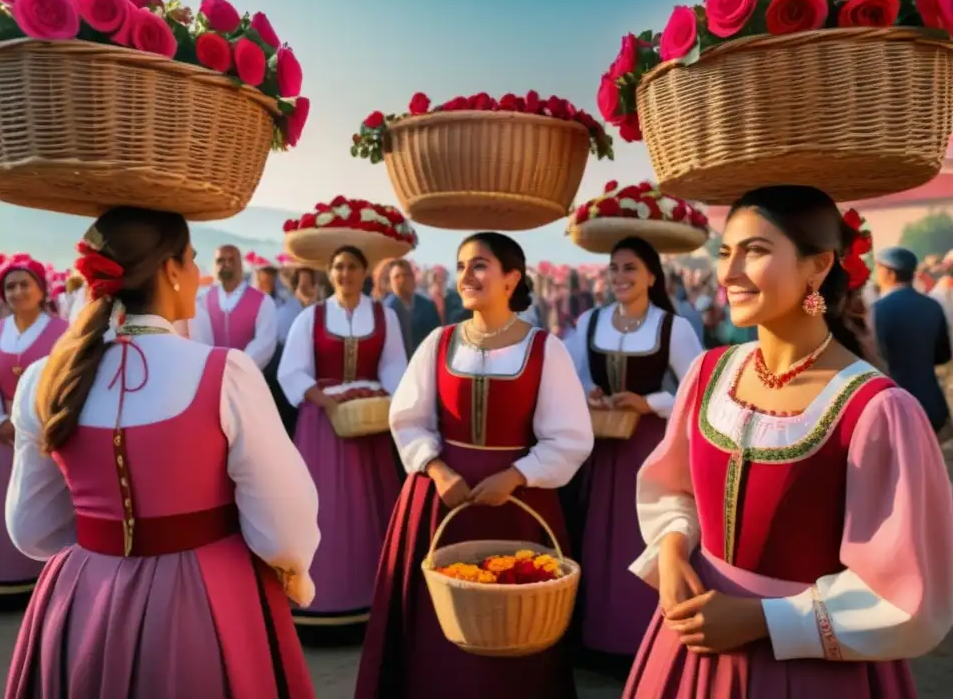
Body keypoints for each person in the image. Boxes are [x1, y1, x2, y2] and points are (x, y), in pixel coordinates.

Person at [624, 185, 953, 698]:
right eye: (725, 252)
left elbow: (907, 591)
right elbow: (675, 488)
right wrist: (670, 550)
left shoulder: (877, 410)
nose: (729, 273)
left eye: (754, 251)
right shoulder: (708, 373)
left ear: (818, 267)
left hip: (807, 672)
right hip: (687, 649)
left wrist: (766, 619)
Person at [4, 207, 319, 698]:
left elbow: (32, 530)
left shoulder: (44, 379)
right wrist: (295, 576)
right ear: (171, 271)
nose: (198, 275)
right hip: (209, 600)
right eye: (192, 261)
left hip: (84, 603)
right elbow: (284, 523)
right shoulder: (225, 372)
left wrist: (104, 541)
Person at [355, 232, 594, 699]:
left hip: (520, 504)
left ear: (512, 278)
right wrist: (438, 471)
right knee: (435, 622)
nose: (467, 275)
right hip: (441, 500)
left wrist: (516, 475)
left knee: (517, 618)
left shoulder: (546, 349)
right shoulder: (438, 342)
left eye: (480, 265)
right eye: (462, 265)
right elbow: (407, 419)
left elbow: (569, 438)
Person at [565, 236, 703, 675]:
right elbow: (568, 375)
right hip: (603, 448)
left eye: (629, 268)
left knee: (641, 534)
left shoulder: (671, 326)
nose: (620, 277)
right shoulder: (590, 321)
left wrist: (651, 403)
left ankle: (645, 643)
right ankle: (597, 639)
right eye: (614, 269)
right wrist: (587, 391)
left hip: (649, 448)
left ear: (651, 276)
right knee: (597, 537)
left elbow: (697, 387)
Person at [276, 246, 408, 629]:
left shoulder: (385, 316)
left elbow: (394, 366)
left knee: (372, 504)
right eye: (337, 266)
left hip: (369, 421)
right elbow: (293, 372)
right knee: (325, 505)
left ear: (365, 271)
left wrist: (391, 402)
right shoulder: (310, 317)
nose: (344, 273)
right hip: (323, 426)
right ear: (328, 272)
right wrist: (327, 403)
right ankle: (321, 596)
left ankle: (371, 594)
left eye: (351, 266)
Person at [0, 254, 68, 610]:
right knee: (9, 504)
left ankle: (53, 578)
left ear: (41, 289)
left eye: (24, 284)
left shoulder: (62, 331)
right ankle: (6, 577)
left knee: (50, 499)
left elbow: (67, 381)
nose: (17, 292)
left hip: (47, 430)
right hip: (7, 436)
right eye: (10, 286)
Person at [872, 246, 952, 433]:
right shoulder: (932, 306)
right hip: (932, 404)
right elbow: (943, 355)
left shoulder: (876, 311)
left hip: (893, 407)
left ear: (889, 274)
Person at [191, 245, 278, 372]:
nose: (226, 264)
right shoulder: (203, 301)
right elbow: (199, 340)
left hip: (247, 377)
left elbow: (265, 342)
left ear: (241, 264)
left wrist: (238, 367)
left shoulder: (263, 301)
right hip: (211, 374)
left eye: (231, 260)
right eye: (220, 260)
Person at [384, 258, 442, 357]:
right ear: (390, 281)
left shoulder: (427, 306)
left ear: (412, 277)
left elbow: (437, 337)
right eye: (397, 276)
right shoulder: (386, 309)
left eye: (406, 275)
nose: (402, 280)